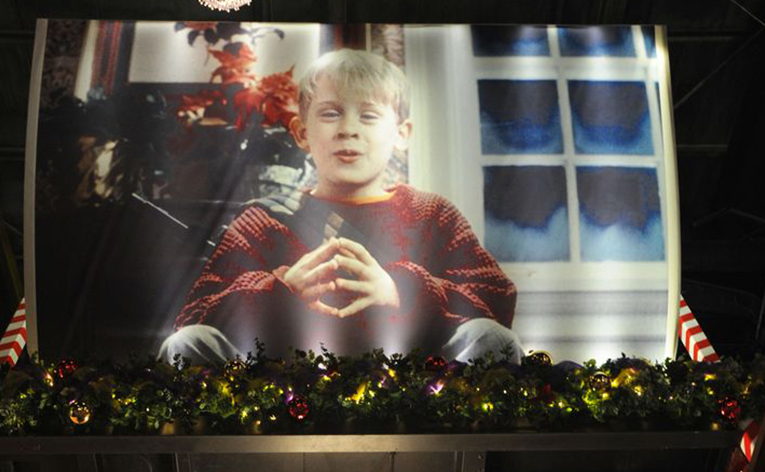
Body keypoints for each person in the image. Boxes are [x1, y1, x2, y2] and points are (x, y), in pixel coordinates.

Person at [160, 48, 521, 365]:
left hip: (413, 388)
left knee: (493, 340)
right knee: (187, 344)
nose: (348, 129)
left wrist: (402, 291)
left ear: (401, 134)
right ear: (302, 133)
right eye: (331, 113)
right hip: (282, 388)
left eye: (369, 115)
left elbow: (495, 298)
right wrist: (279, 289)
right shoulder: (261, 219)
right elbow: (194, 313)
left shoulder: (432, 214)